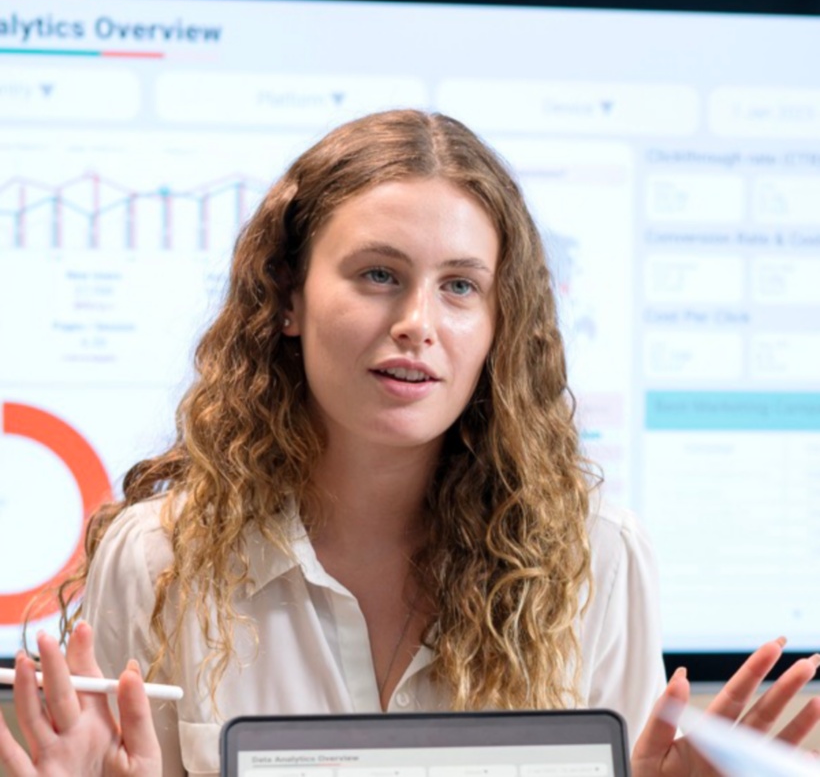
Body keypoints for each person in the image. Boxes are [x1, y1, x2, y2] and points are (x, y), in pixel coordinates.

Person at [1, 110, 818, 777]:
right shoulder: (159, 559)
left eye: (459, 286)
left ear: (500, 324)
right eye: (378, 275)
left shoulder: (598, 556)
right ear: (286, 299)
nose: (416, 325)